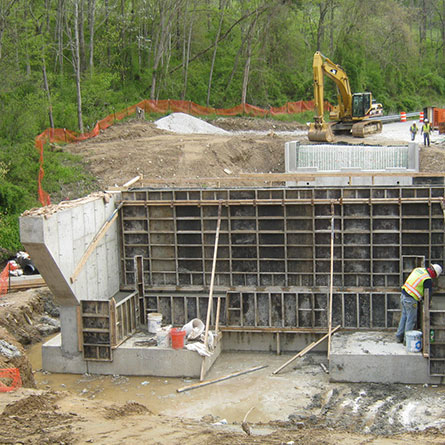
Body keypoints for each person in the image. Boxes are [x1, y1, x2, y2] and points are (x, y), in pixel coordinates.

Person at [396, 263, 442, 343]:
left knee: (404, 316)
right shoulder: (427, 279)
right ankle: (407, 341)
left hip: (403, 294)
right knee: (411, 319)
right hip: (411, 299)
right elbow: (428, 294)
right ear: (434, 274)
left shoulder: (419, 269)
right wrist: (427, 304)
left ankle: (399, 337)